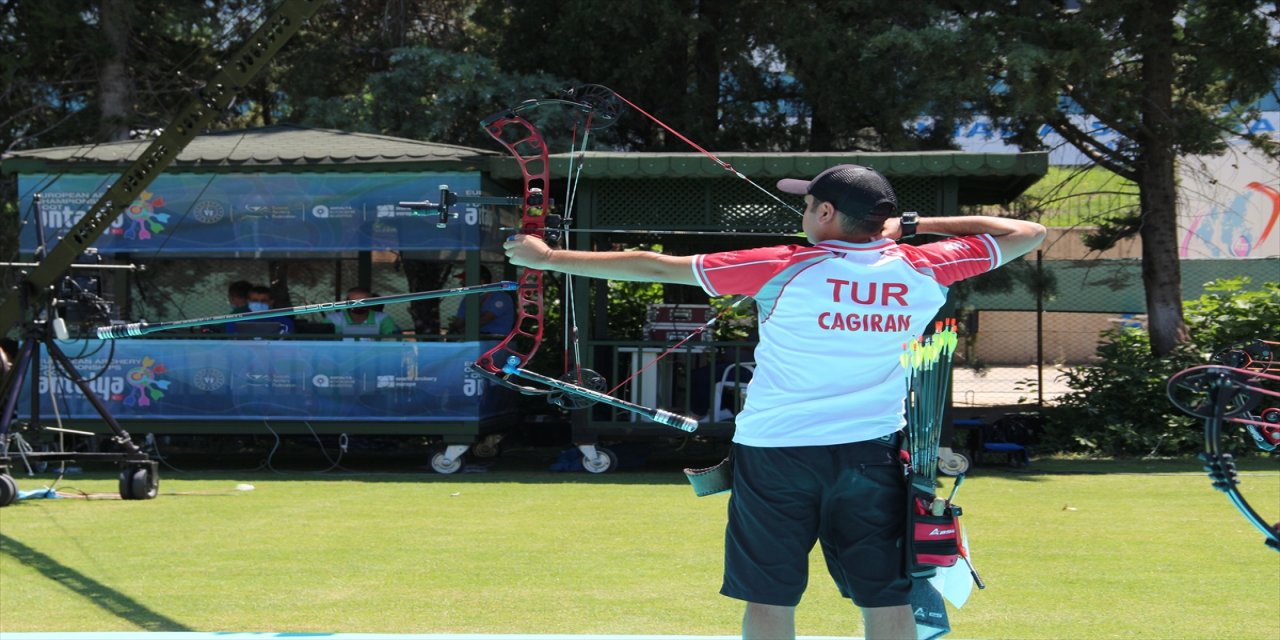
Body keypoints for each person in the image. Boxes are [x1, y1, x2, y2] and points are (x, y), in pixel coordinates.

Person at [503, 164, 1046, 640]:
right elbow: (1027, 231)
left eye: (809, 204)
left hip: (776, 455)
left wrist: (547, 257)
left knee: (769, 596)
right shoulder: (925, 266)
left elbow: (657, 266)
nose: (803, 212)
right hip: (873, 455)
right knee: (887, 597)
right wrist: (913, 226)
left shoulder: (784, 264)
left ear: (828, 212)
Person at [449, 266, 514, 335]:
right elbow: (458, 323)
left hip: (497, 340)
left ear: (482, 281)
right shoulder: (467, 299)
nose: (462, 282)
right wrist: (451, 334)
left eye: (466, 280)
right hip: (476, 339)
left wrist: (461, 332)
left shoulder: (500, 297)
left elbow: (484, 320)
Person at [324, 286, 399, 337]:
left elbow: (393, 341)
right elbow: (323, 343)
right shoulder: (333, 319)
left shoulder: (383, 318)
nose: (358, 305)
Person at [228, 284, 294, 335]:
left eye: (263, 301)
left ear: (271, 302)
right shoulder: (236, 321)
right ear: (248, 302)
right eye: (255, 300)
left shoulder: (284, 322)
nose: (259, 303)